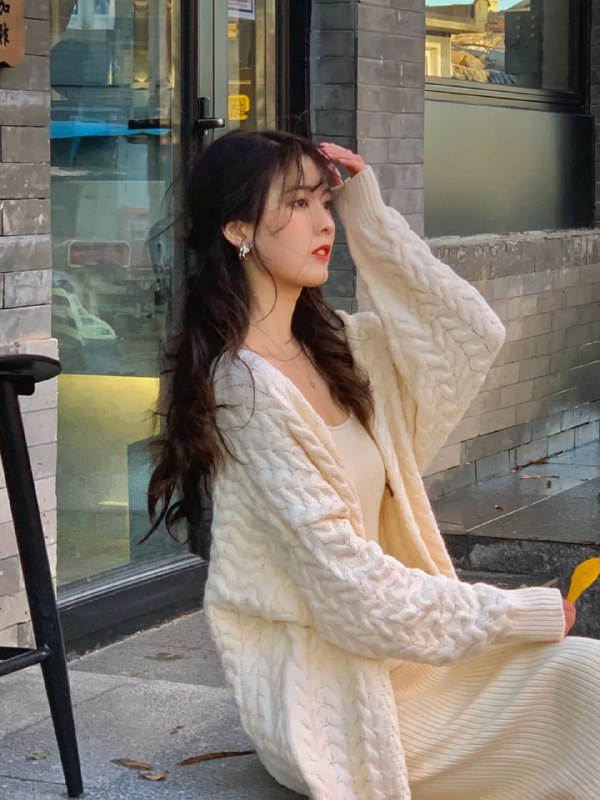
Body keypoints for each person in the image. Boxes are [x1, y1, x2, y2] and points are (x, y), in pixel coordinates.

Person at [147, 129, 599, 800]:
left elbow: (472, 335)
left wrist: (369, 215)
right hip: (336, 696)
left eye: (324, 202)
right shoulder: (245, 388)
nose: (323, 222)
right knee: (586, 693)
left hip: (405, 656)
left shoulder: (342, 349)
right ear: (238, 229)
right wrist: (513, 613)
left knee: (587, 675)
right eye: (297, 203)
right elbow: (351, 592)